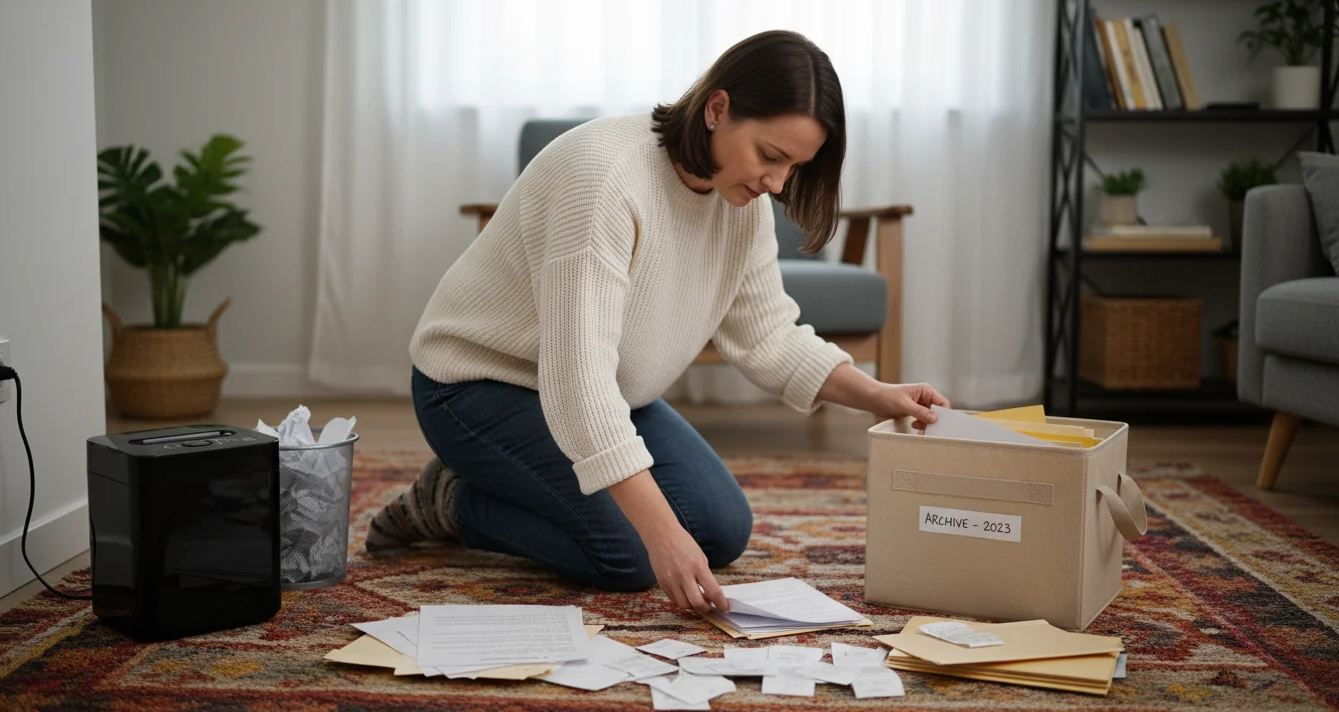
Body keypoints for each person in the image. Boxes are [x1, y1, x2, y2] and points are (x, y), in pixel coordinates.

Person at [366, 29, 948, 614]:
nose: (777, 183)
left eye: (795, 167)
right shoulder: (602, 178)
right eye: (771, 156)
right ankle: (448, 500)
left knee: (720, 531)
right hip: (474, 390)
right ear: (718, 109)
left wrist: (877, 395)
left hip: (607, 392)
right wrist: (660, 535)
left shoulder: (740, 204)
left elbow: (768, 338)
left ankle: (517, 490)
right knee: (629, 553)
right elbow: (578, 382)